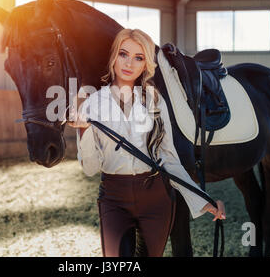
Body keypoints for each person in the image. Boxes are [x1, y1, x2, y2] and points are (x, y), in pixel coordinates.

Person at [67, 28, 225, 257]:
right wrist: (86, 131)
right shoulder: (91, 104)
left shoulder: (155, 101)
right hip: (114, 199)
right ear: (114, 57)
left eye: (138, 57)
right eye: (123, 54)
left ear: (145, 64)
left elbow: (168, 159)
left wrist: (203, 200)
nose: (129, 63)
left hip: (156, 198)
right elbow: (91, 168)